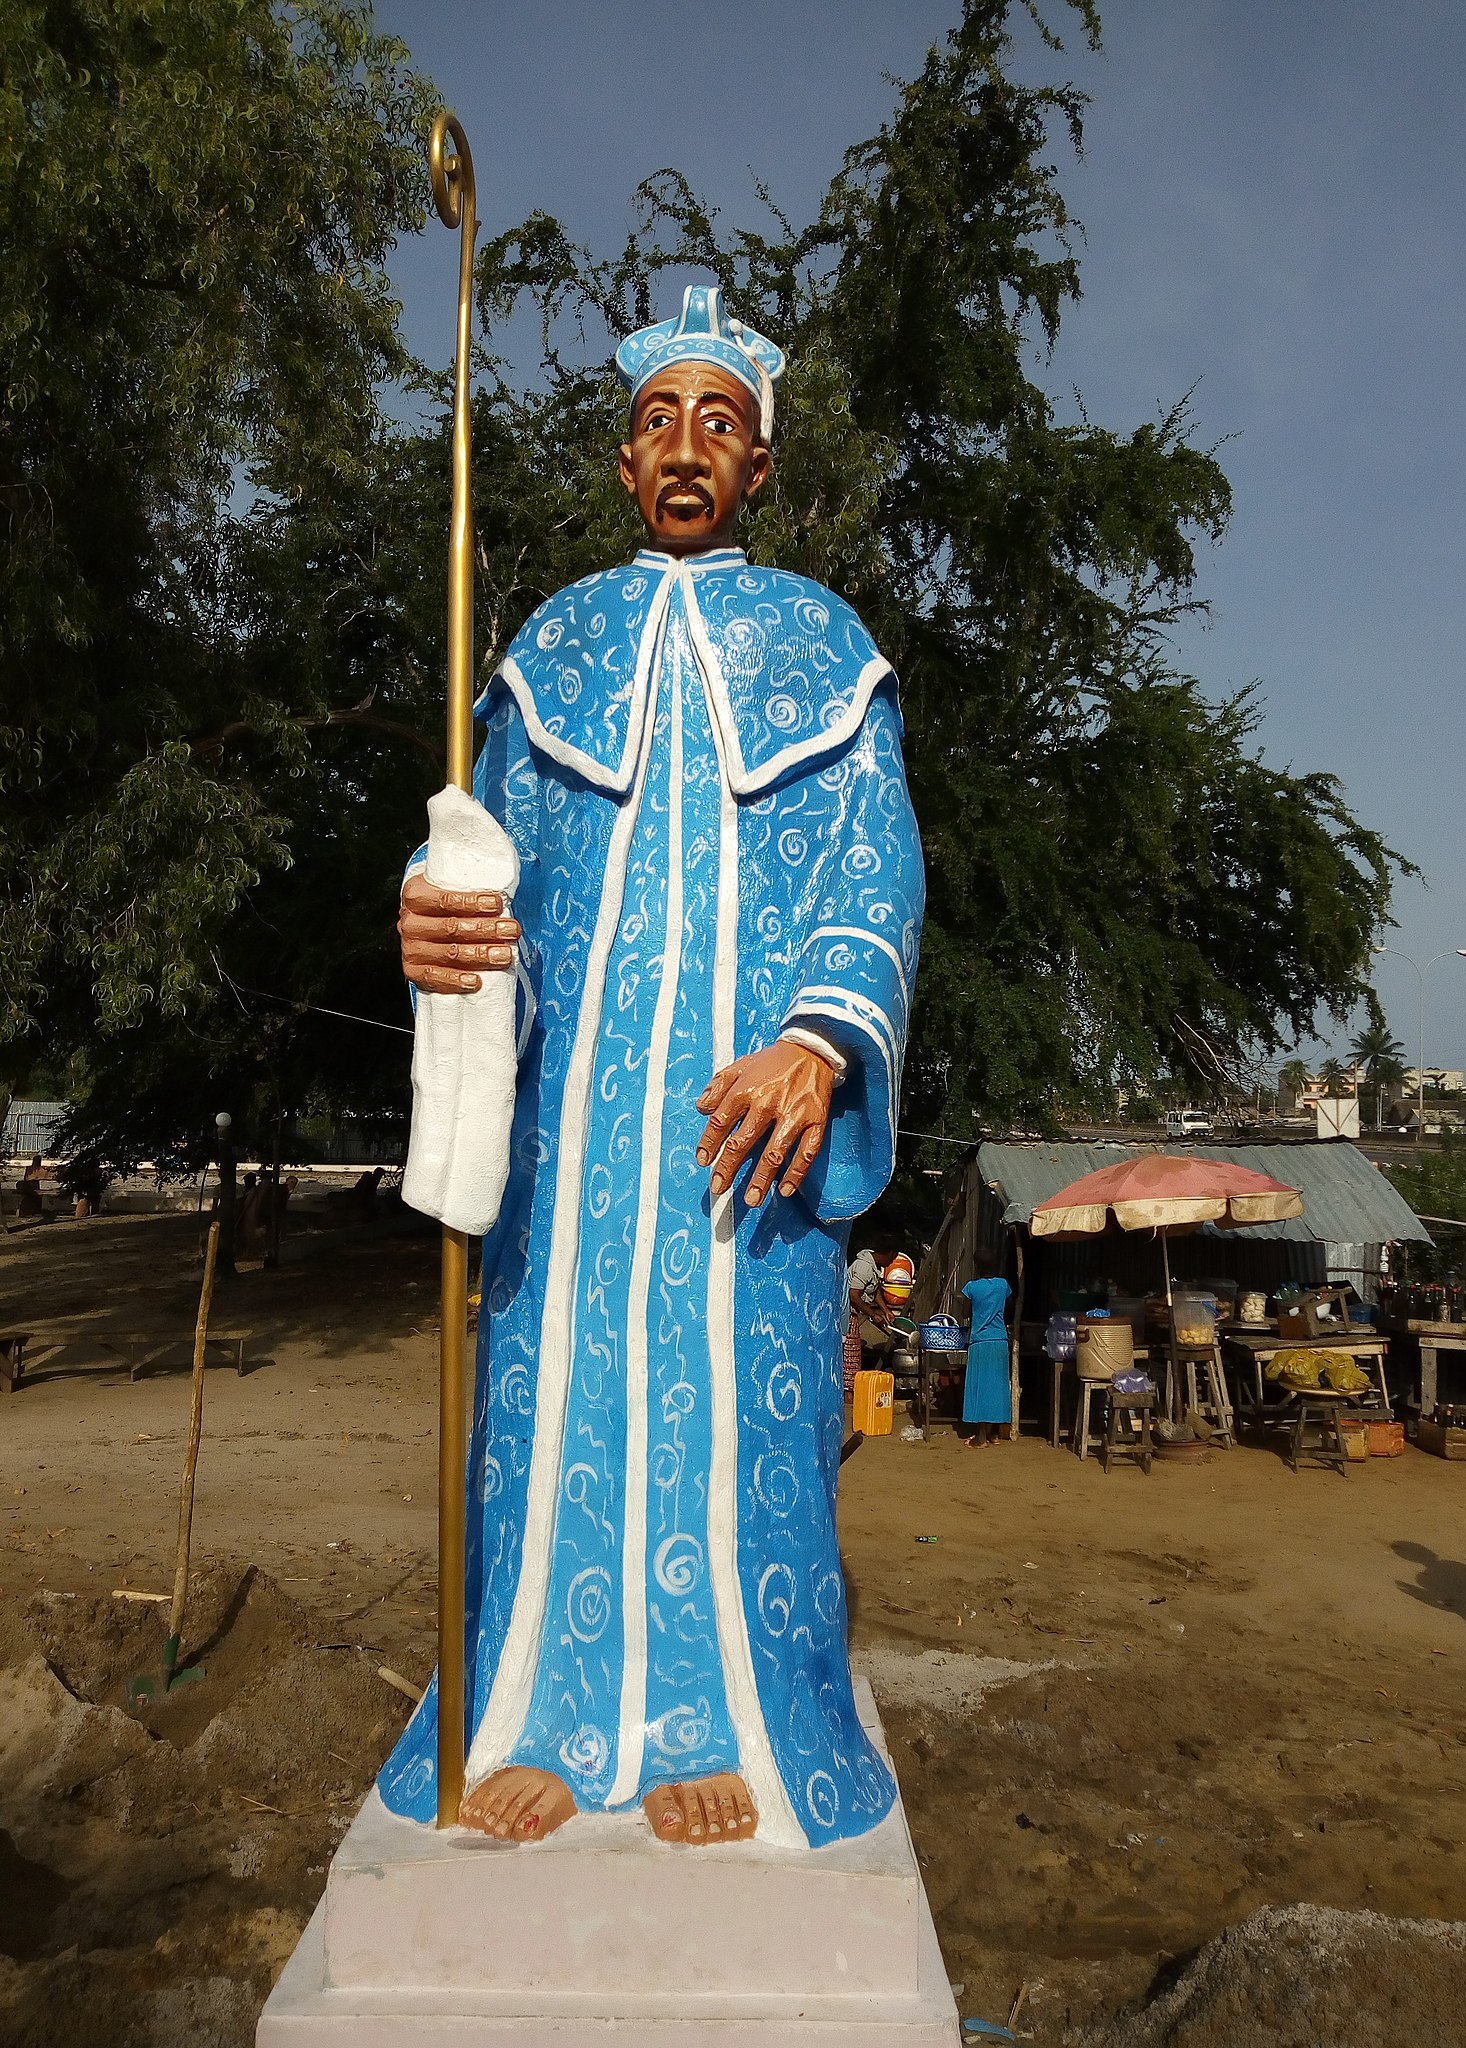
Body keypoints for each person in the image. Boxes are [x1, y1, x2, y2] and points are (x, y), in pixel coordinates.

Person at [389, 286, 925, 1852]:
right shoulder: (550, 649)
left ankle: (730, 1722)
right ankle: (543, 1713)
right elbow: (500, 893)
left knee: (742, 1433)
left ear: (760, 465)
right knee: (549, 1416)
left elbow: (874, 870)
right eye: (656, 423)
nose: (685, 449)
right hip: (579, 1157)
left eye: (718, 424)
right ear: (625, 462)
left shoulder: (825, 650)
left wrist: (821, 1045)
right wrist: (444, 934)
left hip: (743, 1150)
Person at [960, 1250, 1012, 1446]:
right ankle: (994, 1433)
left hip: (980, 1342)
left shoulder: (971, 1287)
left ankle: (981, 1436)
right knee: (997, 1387)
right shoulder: (1003, 1285)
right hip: (999, 1340)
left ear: (977, 1266)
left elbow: (965, 1313)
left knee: (981, 1387)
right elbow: (1010, 1305)